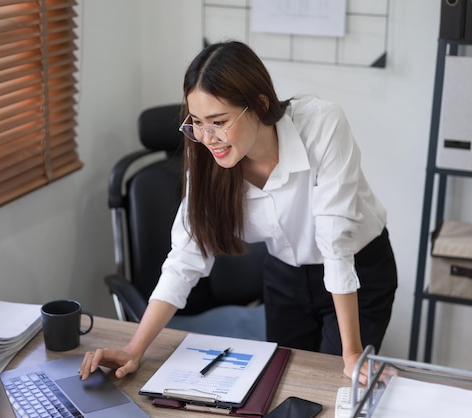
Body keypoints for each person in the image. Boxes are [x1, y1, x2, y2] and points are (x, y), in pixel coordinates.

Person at [79, 40, 397, 383]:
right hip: (285, 276)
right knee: (288, 384)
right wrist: (133, 350)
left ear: (259, 105)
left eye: (218, 121)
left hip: (357, 272)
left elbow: (336, 246)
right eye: (197, 123)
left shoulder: (321, 125)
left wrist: (350, 355)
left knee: (334, 383)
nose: (207, 137)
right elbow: (184, 260)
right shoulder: (206, 159)